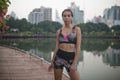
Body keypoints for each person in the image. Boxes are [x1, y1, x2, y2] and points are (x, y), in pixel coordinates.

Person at [48, 9, 81, 80]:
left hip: (70, 58)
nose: (66, 17)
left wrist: (75, 63)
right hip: (59, 57)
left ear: (72, 17)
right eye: (64, 16)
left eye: (69, 16)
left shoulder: (76, 30)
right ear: (62, 17)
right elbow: (56, 47)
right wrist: (52, 61)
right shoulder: (59, 32)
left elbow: (78, 48)